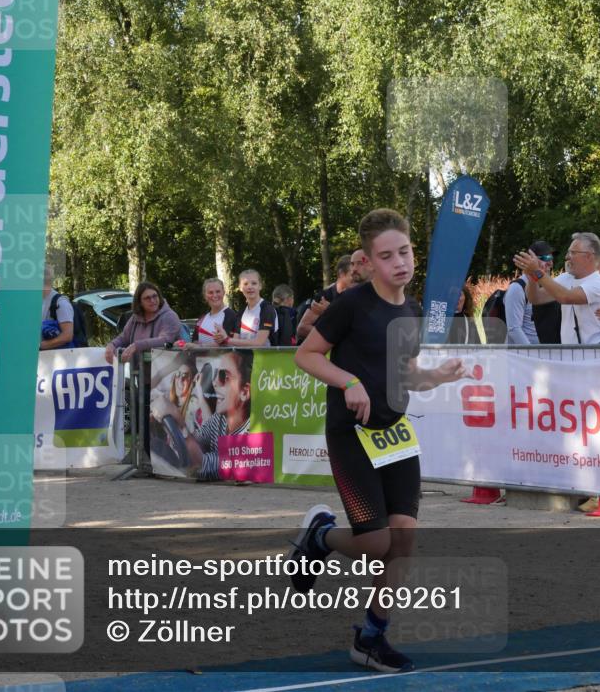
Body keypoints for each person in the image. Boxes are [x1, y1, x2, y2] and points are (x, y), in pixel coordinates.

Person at [292, 208, 467, 673]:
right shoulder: (352, 305)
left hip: (394, 434)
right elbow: (306, 355)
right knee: (375, 543)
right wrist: (349, 382)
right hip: (351, 434)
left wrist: (437, 376)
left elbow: (405, 375)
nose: (399, 263)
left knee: (403, 541)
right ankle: (321, 537)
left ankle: (370, 638)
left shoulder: (412, 311)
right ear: (368, 262)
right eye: (386, 256)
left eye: (405, 252)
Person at [152, 350, 253, 481]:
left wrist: (178, 421)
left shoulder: (251, 433)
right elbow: (196, 440)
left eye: (223, 376)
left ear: (244, 392)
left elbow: (202, 465)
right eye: (215, 375)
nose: (215, 382)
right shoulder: (220, 419)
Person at [514, 233, 600, 345]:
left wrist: (537, 271)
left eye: (573, 252)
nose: (567, 257)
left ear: (589, 256)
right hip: (571, 357)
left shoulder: (599, 284)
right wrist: (532, 275)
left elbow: (565, 297)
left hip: (594, 358)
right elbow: (535, 298)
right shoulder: (566, 278)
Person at [104, 281, 182, 363]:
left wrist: (136, 346)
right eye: (147, 298)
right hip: (139, 373)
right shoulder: (135, 317)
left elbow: (165, 340)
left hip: (165, 372)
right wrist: (111, 345)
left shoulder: (169, 316)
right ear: (140, 302)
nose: (152, 300)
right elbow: (124, 337)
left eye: (155, 296)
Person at [503, 240, 552, 345]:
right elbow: (514, 329)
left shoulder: (548, 285)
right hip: (523, 358)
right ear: (529, 261)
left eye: (551, 258)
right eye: (545, 258)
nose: (550, 263)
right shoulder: (517, 288)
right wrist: (532, 354)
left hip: (545, 355)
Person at [297, 255, 353, 342]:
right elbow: (302, 328)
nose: (357, 278)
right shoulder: (324, 297)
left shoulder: (357, 297)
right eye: (353, 274)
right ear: (342, 273)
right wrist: (335, 336)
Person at [224, 270, 278, 348]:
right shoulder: (241, 313)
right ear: (240, 288)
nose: (250, 287)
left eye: (254, 283)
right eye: (245, 284)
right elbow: (235, 342)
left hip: (265, 359)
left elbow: (259, 343)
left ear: (260, 286)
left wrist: (227, 339)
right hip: (245, 358)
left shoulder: (267, 309)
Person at [192, 278, 240, 347]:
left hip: (221, 358)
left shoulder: (231, 315)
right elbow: (194, 341)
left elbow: (225, 345)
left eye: (218, 291)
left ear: (223, 292)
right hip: (200, 357)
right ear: (205, 296)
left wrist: (200, 346)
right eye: (210, 292)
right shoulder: (202, 318)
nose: (214, 295)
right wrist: (182, 344)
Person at [40, 267, 75, 350]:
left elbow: (67, 336)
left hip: (60, 358)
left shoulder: (61, 303)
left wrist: (40, 346)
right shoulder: (38, 302)